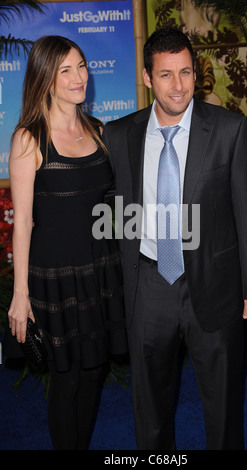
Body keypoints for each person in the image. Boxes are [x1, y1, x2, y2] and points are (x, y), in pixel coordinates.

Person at [102, 27, 247, 450]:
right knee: (150, 415)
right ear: (146, 78)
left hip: (214, 287)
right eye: (165, 75)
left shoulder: (231, 130)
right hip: (149, 288)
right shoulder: (120, 135)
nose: (178, 86)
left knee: (223, 410)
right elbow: (115, 211)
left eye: (186, 72)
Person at [7, 35, 127, 450]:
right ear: (46, 78)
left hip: (100, 270)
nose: (79, 77)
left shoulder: (98, 131)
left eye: (81, 66)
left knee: (94, 370)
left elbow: (111, 208)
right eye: (66, 70)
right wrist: (20, 295)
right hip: (54, 276)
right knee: (67, 374)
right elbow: (22, 222)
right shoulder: (29, 138)